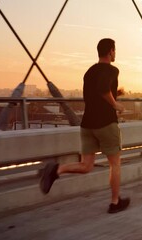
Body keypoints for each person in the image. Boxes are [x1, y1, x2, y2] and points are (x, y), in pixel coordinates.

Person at [40, 38, 130, 214]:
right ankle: (114, 202)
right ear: (111, 51)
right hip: (106, 123)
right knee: (115, 164)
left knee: (86, 165)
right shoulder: (112, 69)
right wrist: (116, 104)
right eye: (114, 50)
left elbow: (93, 94)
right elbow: (103, 89)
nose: (115, 53)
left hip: (87, 124)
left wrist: (115, 93)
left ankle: (57, 170)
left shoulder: (89, 72)